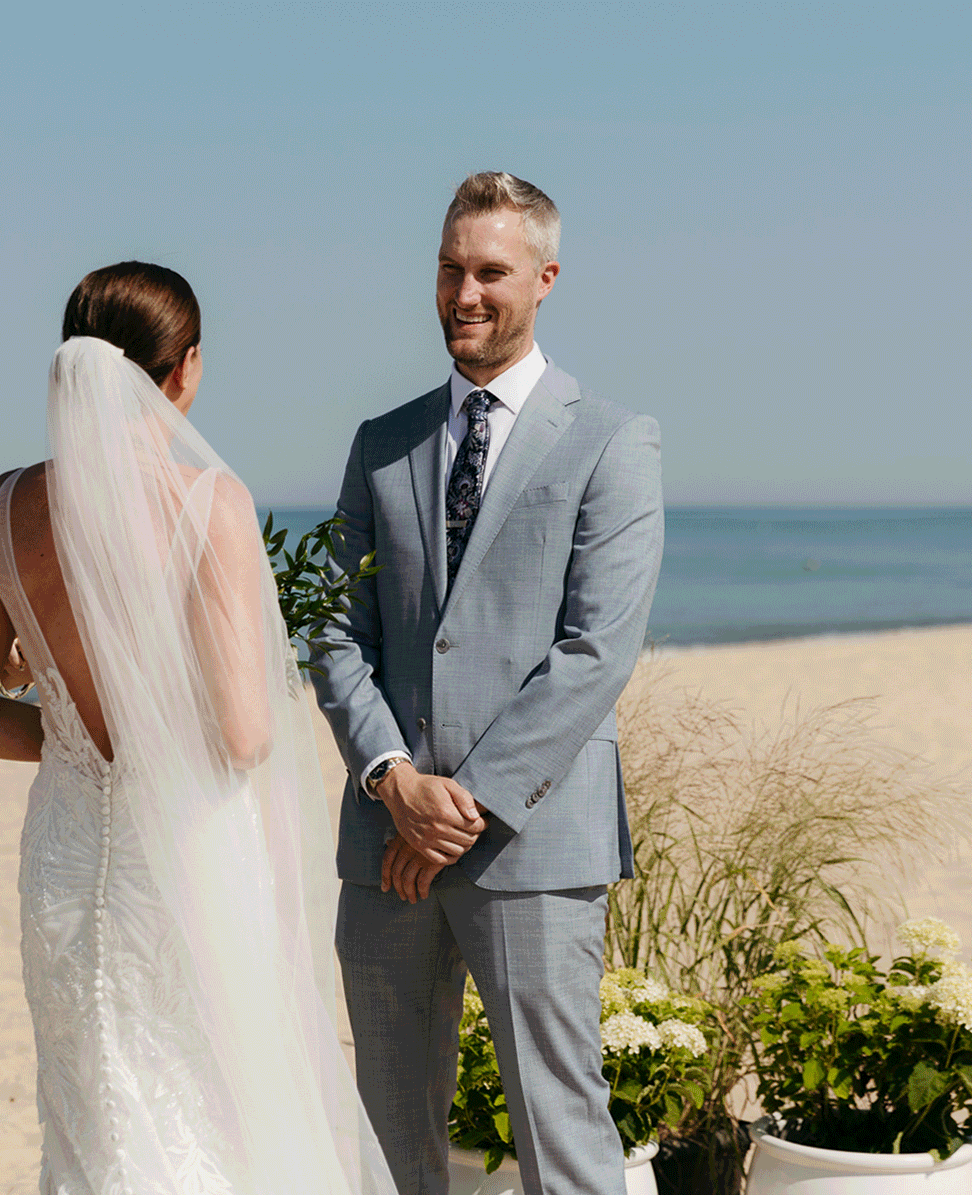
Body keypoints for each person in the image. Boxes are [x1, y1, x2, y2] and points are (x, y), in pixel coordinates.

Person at [0, 262, 396, 1195]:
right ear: (182, 371)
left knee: (92, 1103)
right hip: (182, 850)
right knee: (210, 1106)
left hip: (64, 852)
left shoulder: (6, 505)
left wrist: (68, 741)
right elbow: (243, 732)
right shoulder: (206, 504)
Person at [312, 172, 665, 1195]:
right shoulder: (382, 443)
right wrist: (393, 780)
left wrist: (459, 809)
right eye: (448, 268)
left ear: (545, 279)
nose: (464, 293)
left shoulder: (612, 438)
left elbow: (596, 647)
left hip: (531, 840)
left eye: (490, 272)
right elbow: (336, 630)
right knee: (388, 1142)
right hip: (387, 840)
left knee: (562, 1134)